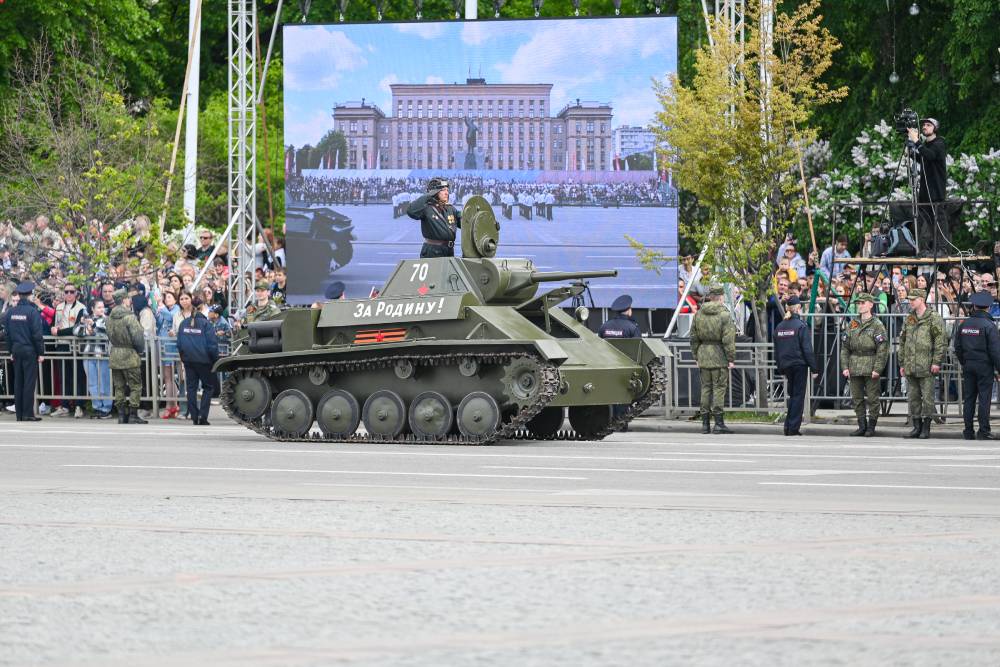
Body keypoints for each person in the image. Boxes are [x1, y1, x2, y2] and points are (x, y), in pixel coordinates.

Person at [898, 287, 946, 439]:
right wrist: (902, 363)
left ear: (922, 300)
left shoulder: (933, 317)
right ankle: (916, 427)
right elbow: (903, 341)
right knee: (913, 398)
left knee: (928, 398)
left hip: (926, 365)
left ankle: (926, 427)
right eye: (910, 299)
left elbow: (940, 342)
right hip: (911, 364)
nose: (910, 302)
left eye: (913, 299)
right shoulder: (910, 318)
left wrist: (936, 361)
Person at [840, 293, 890, 437]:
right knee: (857, 398)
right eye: (859, 303)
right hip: (855, 365)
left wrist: (878, 368)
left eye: (863, 303)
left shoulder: (877, 325)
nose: (860, 305)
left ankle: (871, 426)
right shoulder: (853, 324)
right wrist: (845, 367)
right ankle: (861, 425)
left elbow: (882, 349)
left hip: (870, 364)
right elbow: (845, 347)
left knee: (873, 398)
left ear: (870, 304)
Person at [953, 291, 1000, 440]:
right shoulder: (989, 326)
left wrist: (964, 361)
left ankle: (968, 431)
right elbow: (995, 351)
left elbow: (957, 347)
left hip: (968, 365)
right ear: (988, 307)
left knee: (969, 398)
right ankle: (983, 431)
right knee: (984, 398)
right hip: (984, 366)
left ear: (974, 306)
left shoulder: (964, 324)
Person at [690, 285, 736, 434]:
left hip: (703, 354)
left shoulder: (699, 314)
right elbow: (728, 339)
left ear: (710, 297)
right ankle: (718, 423)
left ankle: (704, 424)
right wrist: (731, 358)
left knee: (705, 388)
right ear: (721, 297)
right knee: (719, 389)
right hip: (719, 355)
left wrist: (696, 356)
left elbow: (693, 338)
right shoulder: (724, 315)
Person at [773, 296, 819, 436]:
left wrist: (780, 367)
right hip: (799, 365)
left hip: (786, 365)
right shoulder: (801, 325)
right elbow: (807, 349)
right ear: (798, 308)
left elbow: (777, 349)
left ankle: (788, 426)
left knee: (792, 395)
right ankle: (792, 428)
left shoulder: (780, 326)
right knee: (798, 396)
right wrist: (814, 368)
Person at [2, 281, 45, 421]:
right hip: (29, 351)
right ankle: (28, 413)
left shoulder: (10, 312)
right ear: (30, 295)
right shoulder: (32, 312)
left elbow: (7, 335)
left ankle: (19, 414)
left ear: (19, 295)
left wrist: (11, 351)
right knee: (29, 382)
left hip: (16, 350)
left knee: (18, 382)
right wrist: (41, 353)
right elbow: (37, 335)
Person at [106, 289, 148, 424]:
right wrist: (140, 350)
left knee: (119, 386)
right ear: (124, 300)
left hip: (115, 354)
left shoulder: (109, 318)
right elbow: (138, 338)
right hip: (130, 354)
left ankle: (121, 415)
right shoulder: (130, 317)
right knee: (135, 385)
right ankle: (133, 414)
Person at [176, 296, 220, 426]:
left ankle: (194, 416)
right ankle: (202, 415)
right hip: (205, 362)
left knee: (191, 389)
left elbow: (179, 344)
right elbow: (212, 346)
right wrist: (215, 361)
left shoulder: (183, 324)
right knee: (208, 387)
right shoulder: (206, 324)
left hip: (189, 361)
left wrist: (184, 359)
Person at [907, 118, 948, 253]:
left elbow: (930, 156)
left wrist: (917, 142)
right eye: (923, 125)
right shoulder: (925, 145)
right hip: (925, 191)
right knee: (929, 223)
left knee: (939, 221)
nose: (924, 127)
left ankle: (942, 249)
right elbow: (922, 158)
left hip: (936, 190)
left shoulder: (939, 143)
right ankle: (932, 248)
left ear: (935, 128)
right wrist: (911, 148)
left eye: (928, 125)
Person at [74, 299, 114, 418]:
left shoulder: (107, 319)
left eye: (102, 307)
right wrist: (86, 328)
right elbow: (75, 331)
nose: (101, 309)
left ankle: (106, 408)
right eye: (99, 307)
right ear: (92, 309)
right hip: (88, 354)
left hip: (102, 355)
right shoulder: (87, 318)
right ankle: (97, 407)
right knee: (92, 383)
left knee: (104, 382)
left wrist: (93, 326)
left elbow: (107, 330)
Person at [407, 177, 462, 259]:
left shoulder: (450, 208)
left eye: (447, 190)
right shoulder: (426, 208)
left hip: (449, 251)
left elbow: (464, 222)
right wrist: (429, 195)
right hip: (432, 251)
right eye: (443, 190)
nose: (447, 193)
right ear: (435, 192)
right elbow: (411, 211)